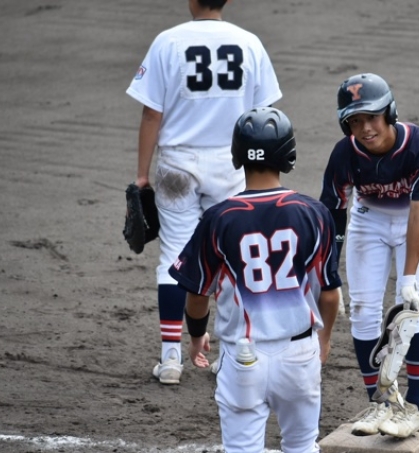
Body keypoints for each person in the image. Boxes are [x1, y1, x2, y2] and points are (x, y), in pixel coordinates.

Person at [125, 0, 282, 385]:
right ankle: (230, 355)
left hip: (177, 165)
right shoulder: (249, 43)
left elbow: (152, 114)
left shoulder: (167, 41)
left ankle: (171, 358)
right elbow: (264, 119)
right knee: (231, 259)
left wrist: (142, 175)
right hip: (231, 165)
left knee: (174, 257)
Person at [168, 107, 342, 453]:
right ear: (287, 154)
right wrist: (323, 340)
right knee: (302, 446)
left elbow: (197, 294)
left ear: (238, 154)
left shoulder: (218, 219)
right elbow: (330, 294)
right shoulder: (314, 213)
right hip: (299, 354)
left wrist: (197, 336)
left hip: (242, 356)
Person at [319, 73, 419, 438]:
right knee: (362, 311)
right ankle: (380, 403)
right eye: (355, 121)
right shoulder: (344, 153)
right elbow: (333, 212)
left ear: (389, 113)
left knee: (413, 306)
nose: (365, 128)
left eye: (372, 117)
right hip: (368, 219)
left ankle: (415, 407)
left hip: (416, 218)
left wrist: (407, 279)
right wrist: (330, 271)